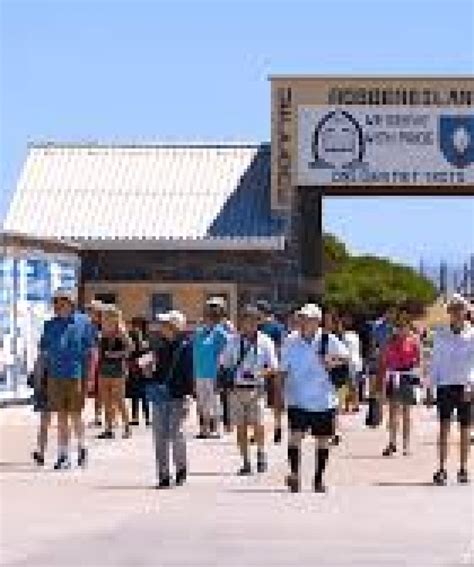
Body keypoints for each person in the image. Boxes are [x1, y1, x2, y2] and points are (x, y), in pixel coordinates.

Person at [281, 303, 349, 493]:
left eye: (308, 319)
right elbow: (283, 369)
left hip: (323, 398)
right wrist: (279, 396)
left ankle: (318, 479)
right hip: (297, 397)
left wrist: (331, 361)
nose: (303, 322)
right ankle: (295, 474)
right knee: (295, 437)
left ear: (317, 321)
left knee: (323, 440)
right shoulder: (290, 341)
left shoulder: (329, 340)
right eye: (301, 318)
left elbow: (348, 359)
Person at [40, 289, 95, 470]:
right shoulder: (49, 325)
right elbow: (44, 351)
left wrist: (89, 377)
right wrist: (41, 376)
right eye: (55, 303)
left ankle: (82, 447)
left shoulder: (84, 322)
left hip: (76, 374)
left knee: (76, 415)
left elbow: (91, 351)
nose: (56, 306)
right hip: (56, 375)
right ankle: (63, 454)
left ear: (70, 304)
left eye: (60, 303)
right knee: (61, 416)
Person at [226, 305, 278, 475]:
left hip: (257, 389)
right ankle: (246, 462)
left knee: (259, 425)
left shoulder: (265, 341)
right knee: (240, 427)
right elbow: (224, 363)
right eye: (245, 320)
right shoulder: (233, 340)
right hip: (236, 389)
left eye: (252, 320)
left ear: (258, 322)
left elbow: (274, 367)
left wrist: (260, 372)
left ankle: (261, 454)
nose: (248, 324)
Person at [147, 310, 194, 489]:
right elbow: (152, 371)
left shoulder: (186, 346)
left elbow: (189, 373)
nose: (161, 327)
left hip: (178, 397)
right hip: (160, 396)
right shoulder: (158, 345)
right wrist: (147, 371)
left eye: (165, 324)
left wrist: (188, 394)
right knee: (159, 437)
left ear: (175, 327)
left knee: (176, 434)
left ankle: (181, 469)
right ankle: (163, 474)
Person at [431, 294, 474, 485]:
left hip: (465, 386)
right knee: (444, 427)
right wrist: (431, 387)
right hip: (445, 385)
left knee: (465, 429)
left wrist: (471, 383)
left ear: (466, 312)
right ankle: (441, 468)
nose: (457, 313)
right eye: (453, 309)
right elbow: (435, 361)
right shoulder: (440, 334)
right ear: (449, 312)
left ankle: (463, 468)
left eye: (460, 309)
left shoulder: (472, 334)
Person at [378, 313, 420, 457]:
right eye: (399, 327)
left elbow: (418, 361)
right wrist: (382, 385)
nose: (401, 330)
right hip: (394, 377)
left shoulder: (413, 342)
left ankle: (406, 445)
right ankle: (392, 442)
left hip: (407, 377)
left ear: (409, 327)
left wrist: (418, 377)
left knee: (407, 413)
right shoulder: (390, 342)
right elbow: (384, 363)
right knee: (392, 413)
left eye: (404, 327)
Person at [193, 297, 229, 439]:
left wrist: (221, 373)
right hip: (200, 373)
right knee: (202, 402)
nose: (210, 315)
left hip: (214, 373)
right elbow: (195, 353)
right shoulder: (199, 332)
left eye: (214, 312)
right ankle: (204, 428)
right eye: (208, 312)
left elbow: (226, 354)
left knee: (214, 401)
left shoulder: (221, 333)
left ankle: (216, 429)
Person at [96, 306, 132, 439]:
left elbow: (130, 349)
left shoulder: (121, 331)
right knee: (106, 400)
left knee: (119, 399)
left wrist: (116, 354)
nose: (103, 319)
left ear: (114, 317)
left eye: (106, 316)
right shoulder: (102, 332)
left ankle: (127, 427)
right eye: (103, 316)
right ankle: (109, 429)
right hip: (103, 369)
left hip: (118, 370)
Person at [256, 300, 287, 444]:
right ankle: (258, 430)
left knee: (276, 401)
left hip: (275, 369)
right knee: (258, 400)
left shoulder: (276, 327)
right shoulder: (258, 327)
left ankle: (277, 427)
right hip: (261, 369)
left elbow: (282, 347)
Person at [127, 317, 151, 427]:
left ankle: (147, 417)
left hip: (143, 369)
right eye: (134, 324)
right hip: (133, 368)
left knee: (144, 394)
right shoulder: (130, 336)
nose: (135, 327)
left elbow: (148, 353)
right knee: (134, 394)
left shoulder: (147, 337)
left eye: (138, 324)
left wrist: (141, 363)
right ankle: (135, 417)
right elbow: (129, 351)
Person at [85, 300, 103, 427]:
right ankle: (98, 416)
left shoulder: (104, 325)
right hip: (91, 358)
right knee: (96, 391)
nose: (88, 313)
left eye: (90, 310)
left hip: (101, 360)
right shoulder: (88, 325)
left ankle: (103, 416)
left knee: (102, 391)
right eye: (88, 310)